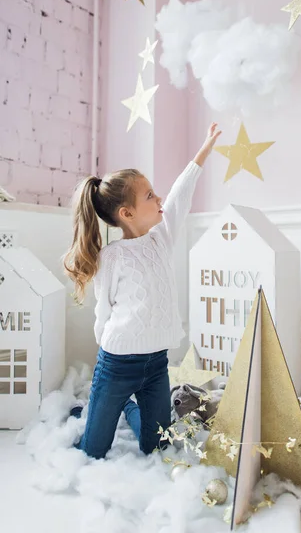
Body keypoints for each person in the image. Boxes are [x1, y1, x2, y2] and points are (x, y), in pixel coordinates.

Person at [63, 123, 222, 459]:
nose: (159, 198)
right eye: (150, 195)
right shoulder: (113, 257)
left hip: (156, 364)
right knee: (92, 451)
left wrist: (203, 152)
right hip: (116, 364)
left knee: (157, 447)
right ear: (127, 213)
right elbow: (102, 311)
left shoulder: (162, 239)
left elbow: (179, 196)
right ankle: (102, 410)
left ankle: (128, 409)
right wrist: (104, 342)